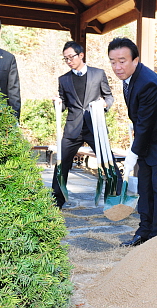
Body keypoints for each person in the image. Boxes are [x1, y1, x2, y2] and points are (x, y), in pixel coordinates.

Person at [108, 37, 157, 247]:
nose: (117, 67)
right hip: (149, 140)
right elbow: (141, 121)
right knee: (145, 187)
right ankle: (144, 231)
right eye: (113, 62)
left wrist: (133, 153)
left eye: (122, 61)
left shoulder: (148, 83)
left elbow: (145, 124)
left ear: (136, 60)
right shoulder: (131, 79)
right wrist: (137, 150)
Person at [52, 41, 121, 209]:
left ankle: (118, 199)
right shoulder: (64, 79)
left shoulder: (98, 74)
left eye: (71, 57)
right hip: (72, 128)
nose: (69, 61)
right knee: (61, 164)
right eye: (65, 59)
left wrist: (104, 104)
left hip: (94, 126)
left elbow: (109, 97)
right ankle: (56, 201)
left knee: (108, 161)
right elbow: (63, 106)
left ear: (81, 55)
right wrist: (57, 103)